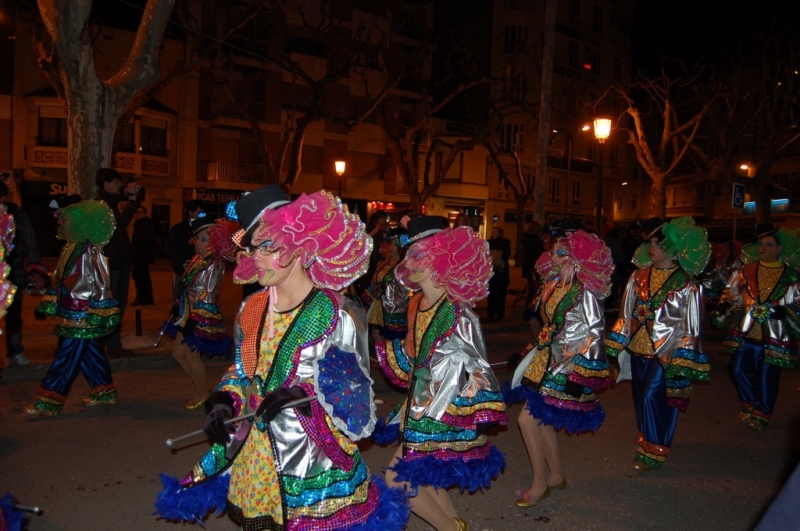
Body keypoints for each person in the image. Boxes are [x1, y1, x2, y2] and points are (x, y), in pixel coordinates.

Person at [156, 189, 409, 530]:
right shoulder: (251, 308)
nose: (254, 257)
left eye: (267, 247)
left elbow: (356, 396)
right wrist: (224, 401)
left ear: (300, 246)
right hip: (257, 454)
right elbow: (243, 371)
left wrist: (307, 397)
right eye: (251, 248)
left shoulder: (336, 313)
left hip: (313, 459)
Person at [374, 217, 507, 531]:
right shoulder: (416, 303)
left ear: (441, 260)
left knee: (398, 478)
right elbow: (416, 354)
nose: (410, 262)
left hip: (443, 410)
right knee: (428, 477)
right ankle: (456, 527)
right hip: (419, 404)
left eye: (419, 255)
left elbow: (478, 366)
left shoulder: (458, 311)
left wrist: (473, 412)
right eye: (409, 255)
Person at [506, 228, 613, 507]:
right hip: (548, 359)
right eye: (552, 252)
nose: (554, 257)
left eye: (561, 253)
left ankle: (540, 484)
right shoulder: (553, 284)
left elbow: (596, 330)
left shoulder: (585, 290)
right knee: (541, 420)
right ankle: (555, 476)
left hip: (567, 364)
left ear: (576, 257)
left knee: (526, 419)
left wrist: (581, 361)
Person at [606, 217, 711, 470]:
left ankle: (656, 448)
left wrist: (684, 358)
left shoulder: (687, 285)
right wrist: (614, 348)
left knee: (654, 396)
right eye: (651, 243)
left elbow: (692, 326)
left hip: (667, 353)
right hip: (638, 349)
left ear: (674, 251)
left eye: (659, 244)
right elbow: (625, 315)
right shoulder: (637, 277)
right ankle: (646, 439)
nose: (652, 247)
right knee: (642, 397)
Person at [23, 197, 121, 416]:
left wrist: (101, 310)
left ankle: (48, 402)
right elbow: (61, 280)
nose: (60, 224)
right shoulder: (71, 247)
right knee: (90, 352)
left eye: (64, 219)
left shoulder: (91, 250)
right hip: (71, 311)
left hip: (83, 314)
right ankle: (104, 392)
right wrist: (50, 299)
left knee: (66, 356)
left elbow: (102, 283)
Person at [712, 223, 800, 430]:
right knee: (737, 368)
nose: (764, 249)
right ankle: (748, 402)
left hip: (775, 335)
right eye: (761, 245)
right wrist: (725, 304)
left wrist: (786, 311)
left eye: (769, 245)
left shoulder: (793, 276)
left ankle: (763, 411)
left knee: (767, 375)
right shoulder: (746, 271)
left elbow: (798, 302)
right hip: (746, 331)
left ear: (779, 249)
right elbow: (731, 292)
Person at [167, 217, 235, 409]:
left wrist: (196, 320)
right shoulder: (198, 259)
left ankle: (203, 393)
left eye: (204, 239)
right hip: (187, 314)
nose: (198, 243)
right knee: (177, 354)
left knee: (191, 355)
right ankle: (202, 385)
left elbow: (208, 295)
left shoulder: (214, 264)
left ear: (215, 241)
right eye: (197, 238)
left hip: (200, 316)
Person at [0, 181, 47, 367]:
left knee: (13, 314)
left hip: (13, 271)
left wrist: (35, 270)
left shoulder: (17, 215)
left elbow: (30, 242)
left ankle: (15, 352)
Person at [95, 168, 139, 355]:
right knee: (112, 304)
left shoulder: (109, 203)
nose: (120, 185)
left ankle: (111, 343)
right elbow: (118, 227)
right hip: (112, 263)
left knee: (117, 304)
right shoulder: (102, 204)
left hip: (117, 262)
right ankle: (110, 344)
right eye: (116, 182)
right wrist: (131, 202)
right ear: (106, 184)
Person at [167, 199, 205, 301]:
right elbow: (172, 249)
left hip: (200, 270)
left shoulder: (206, 228)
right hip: (182, 270)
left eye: (203, 212)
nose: (201, 215)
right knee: (180, 299)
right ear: (190, 212)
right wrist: (180, 264)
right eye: (199, 212)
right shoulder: (178, 229)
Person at [130, 206, 156, 306]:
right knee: (141, 276)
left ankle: (142, 298)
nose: (137, 214)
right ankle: (146, 298)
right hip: (140, 256)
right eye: (136, 212)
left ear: (144, 213)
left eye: (140, 212)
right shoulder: (139, 224)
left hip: (142, 256)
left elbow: (146, 241)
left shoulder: (146, 224)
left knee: (141, 277)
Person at [487, 225, 511, 321]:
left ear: (500, 234)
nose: (493, 233)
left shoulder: (505, 243)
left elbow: (506, 255)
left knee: (501, 295)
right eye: (492, 231)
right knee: (491, 295)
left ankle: (499, 314)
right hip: (491, 273)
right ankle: (491, 313)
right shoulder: (488, 243)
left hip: (501, 273)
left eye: (495, 232)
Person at [519, 221, 545, 308]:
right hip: (534, 267)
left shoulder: (525, 240)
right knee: (534, 290)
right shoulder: (537, 241)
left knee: (531, 289)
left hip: (527, 266)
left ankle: (528, 308)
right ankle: (530, 309)